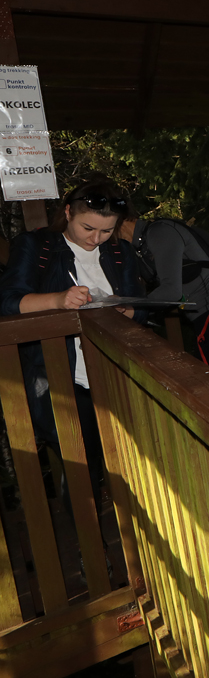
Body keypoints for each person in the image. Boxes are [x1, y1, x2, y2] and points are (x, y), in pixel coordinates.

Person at [0, 174, 147, 500]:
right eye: (88, 228)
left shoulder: (119, 252)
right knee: (82, 468)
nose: (96, 238)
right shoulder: (37, 246)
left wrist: (125, 311)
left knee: (130, 461)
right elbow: (7, 302)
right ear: (68, 212)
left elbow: (140, 309)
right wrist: (58, 300)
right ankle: (89, 529)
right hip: (61, 377)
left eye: (106, 230)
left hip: (115, 374)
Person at [118, 214, 209, 378]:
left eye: (106, 230)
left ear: (119, 220)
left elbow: (171, 292)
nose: (100, 237)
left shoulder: (160, 232)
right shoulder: (143, 243)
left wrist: (133, 307)